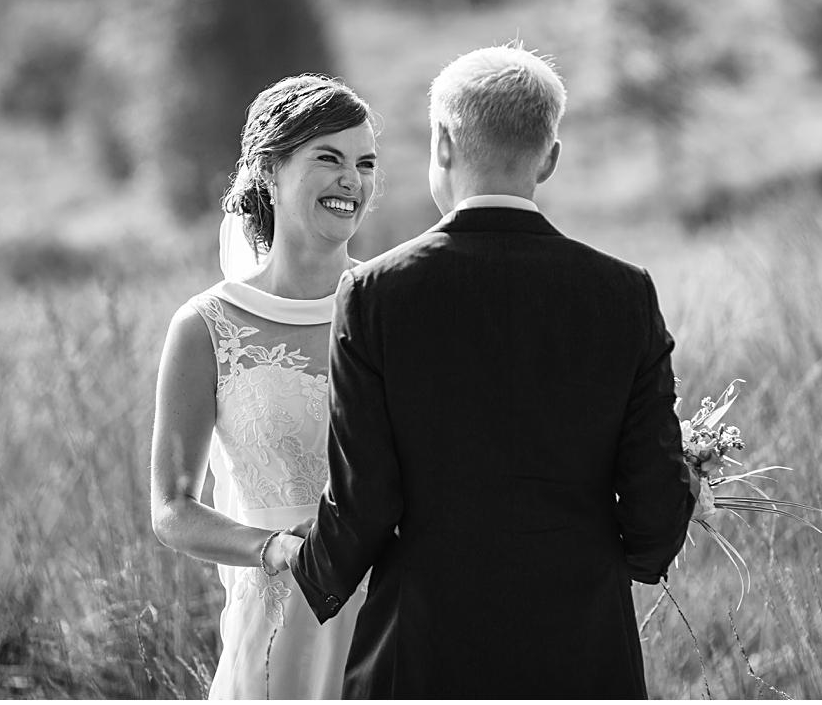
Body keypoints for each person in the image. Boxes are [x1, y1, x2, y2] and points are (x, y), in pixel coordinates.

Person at [287, 45, 697, 698]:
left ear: (443, 143)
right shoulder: (625, 294)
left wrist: (310, 572)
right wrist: (643, 553)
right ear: (551, 157)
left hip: (425, 647)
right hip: (584, 648)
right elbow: (654, 496)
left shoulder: (376, 296)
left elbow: (364, 500)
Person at [150, 74, 378, 699]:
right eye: (327, 158)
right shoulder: (206, 326)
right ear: (269, 172)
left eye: (364, 163)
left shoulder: (395, 308)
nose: (351, 181)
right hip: (275, 622)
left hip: (389, 623)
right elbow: (172, 510)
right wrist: (272, 547)